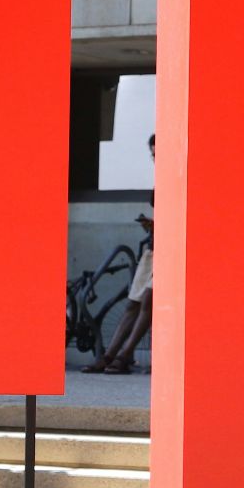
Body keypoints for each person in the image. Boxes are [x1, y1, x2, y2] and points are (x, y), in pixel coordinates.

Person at [84, 134, 155, 374]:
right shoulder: (162, 179)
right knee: (133, 302)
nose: (156, 160)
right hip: (155, 248)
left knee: (148, 299)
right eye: (153, 156)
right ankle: (110, 355)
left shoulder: (178, 177)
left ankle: (125, 354)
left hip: (170, 249)